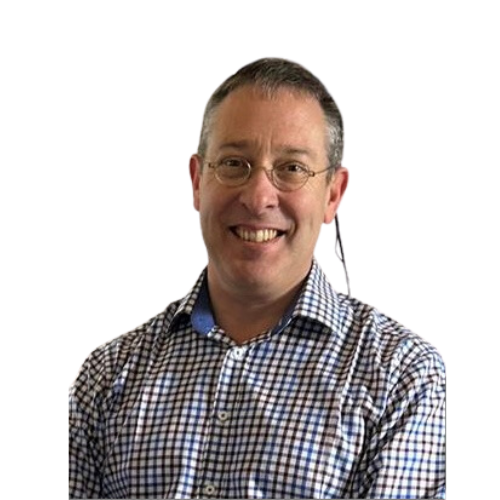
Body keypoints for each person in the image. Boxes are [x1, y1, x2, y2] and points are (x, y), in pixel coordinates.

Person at [68, 56, 446, 499]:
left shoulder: (403, 375)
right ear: (196, 182)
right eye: (234, 163)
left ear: (333, 194)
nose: (258, 196)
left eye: (292, 168)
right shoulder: (105, 374)